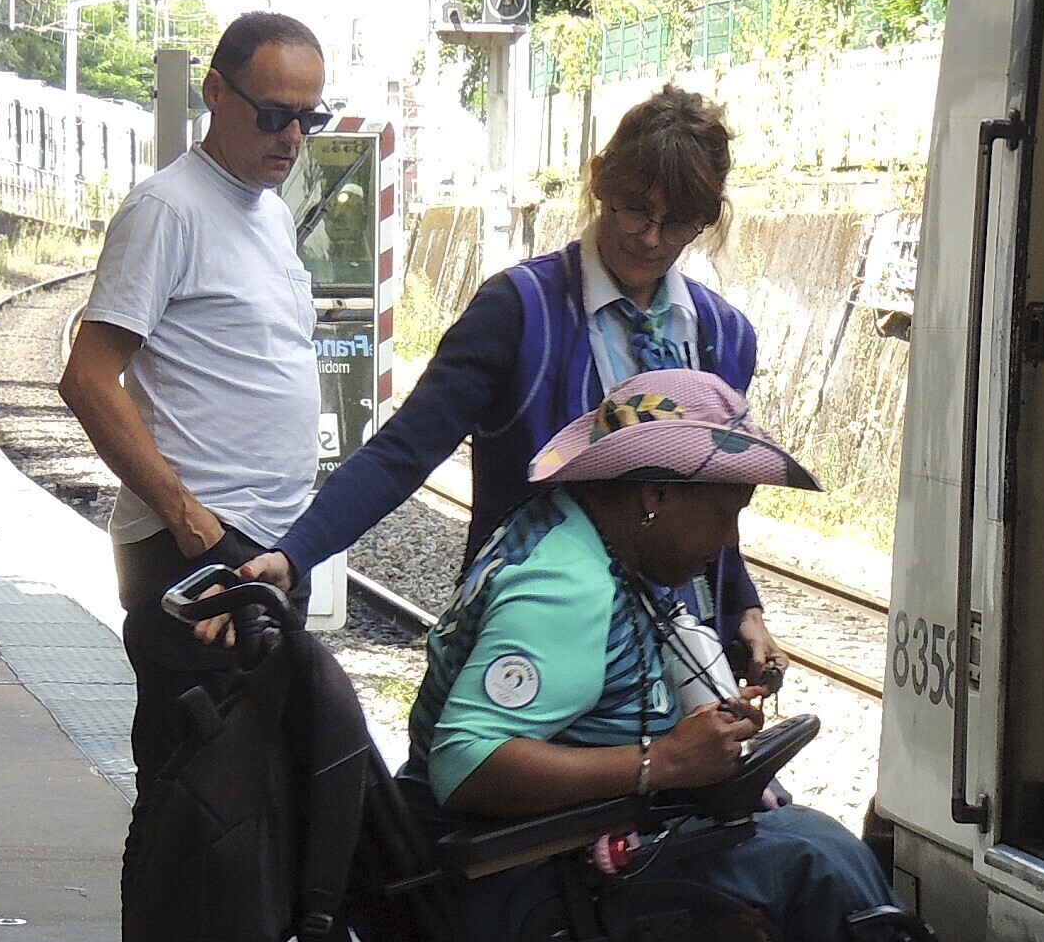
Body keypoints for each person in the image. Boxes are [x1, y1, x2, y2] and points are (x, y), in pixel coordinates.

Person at [413, 369, 1044, 942]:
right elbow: (465, 763)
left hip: (561, 861)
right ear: (655, 495)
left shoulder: (588, 539)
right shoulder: (564, 584)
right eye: (726, 514)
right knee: (812, 854)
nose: (730, 543)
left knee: (784, 834)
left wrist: (694, 754)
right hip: (530, 889)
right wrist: (663, 764)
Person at [243, 86, 780, 688]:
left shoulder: (725, 337)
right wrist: (296, 553)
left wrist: (743, 607)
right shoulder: (520, 312)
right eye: (634, 208)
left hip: (676, 658)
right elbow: (405, 450)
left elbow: (712, 506)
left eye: (679, 222)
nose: (651, 238)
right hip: (533, 645)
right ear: (599, 179)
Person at [60, 9, 335, 942]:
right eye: (274, 113)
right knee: (182, 808)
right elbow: (89, 375)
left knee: (252, 808)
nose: (291, 136)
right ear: (217, 94)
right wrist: (185, 518)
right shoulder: (170, 210)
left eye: (309, 118)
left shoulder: (265, 213)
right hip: (198, 565)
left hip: (263, 557)